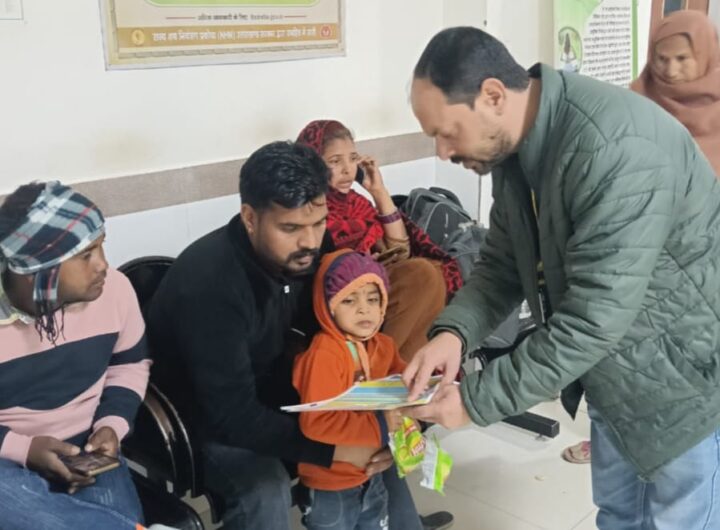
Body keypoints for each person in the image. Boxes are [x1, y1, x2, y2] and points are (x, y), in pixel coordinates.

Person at [402, 27, 720, 529]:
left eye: (447, 131)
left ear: (493, 96)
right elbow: (503, 263)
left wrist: (477, 400)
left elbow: (594, 319)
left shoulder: (614, 147)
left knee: (676, 520)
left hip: (682, 378)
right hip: (615, 370)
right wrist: (454, 333)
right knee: (618, 515)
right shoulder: (519, 148)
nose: (442, 152)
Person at [147, 141, 452, 530]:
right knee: (266, 488)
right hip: (196, 417)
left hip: (277, 388)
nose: (310, 241)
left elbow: (331, 328)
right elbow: (232, 415)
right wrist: (336, 449)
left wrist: (386, 425)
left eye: (319, 222)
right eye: (290, 228)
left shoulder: (310, 248)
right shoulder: (211, 286)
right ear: (250, 218)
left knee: (378, 431)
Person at [0, 182, 153, 529]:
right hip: (5, 457)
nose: (103, 265)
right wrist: (24, 450)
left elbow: (129, 365)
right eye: (86, 256)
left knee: (113, 519)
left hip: (86, 447)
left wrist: (111, 426)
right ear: (37, 271)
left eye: (101, 247)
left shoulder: (115, 290)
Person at [297, 120, 463, 361]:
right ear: (313, 166)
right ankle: (384, 365)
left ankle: (401, 366)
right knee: (422, 274)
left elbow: (400, 250)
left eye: (353, 159)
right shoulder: (308, 208)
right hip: (338, 296)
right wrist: (361, 267)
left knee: (432, 271)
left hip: (374, 288)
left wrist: (379, 192)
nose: (347, 169)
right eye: (335, 161)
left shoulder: (357, 203)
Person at [294, 249, 407, 530]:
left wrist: (424, 392)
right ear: (328, 306)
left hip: (371, 476)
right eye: (349, 300)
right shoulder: (324, 354)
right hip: (330, 485)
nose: (363, 309)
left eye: (372, 299)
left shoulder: (384, 346)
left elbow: (404, 388)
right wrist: (383, 426)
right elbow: (317, 421)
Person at [631, 10, 720, 176]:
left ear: (705, 54)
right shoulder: (637, 97)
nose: (670, 71)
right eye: (662, 59)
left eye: (681, 58)